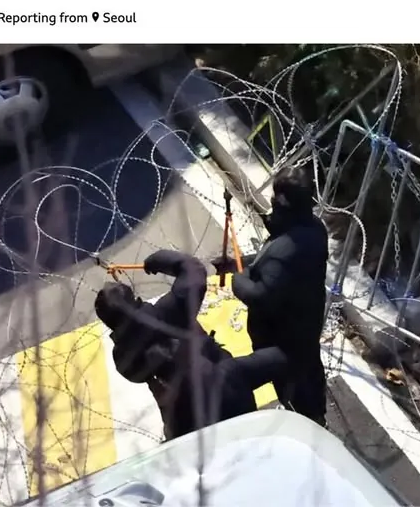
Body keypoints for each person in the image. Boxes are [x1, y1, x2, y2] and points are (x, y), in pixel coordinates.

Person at [93, 249, 287, 441]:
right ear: (137, 300)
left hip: (184, 423)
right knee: (284, 358)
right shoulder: (167, 313)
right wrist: (161, 260)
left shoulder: (122, 359)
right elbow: (194, 271)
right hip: (225, 392)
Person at [213, 166, 330, 425]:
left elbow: (260, 295)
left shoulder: (286, 247)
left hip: (283, 343)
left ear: (285, 202)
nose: (272, 203)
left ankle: (307, 426)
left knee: (287, 386)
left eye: (277, 197)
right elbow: (273, 263)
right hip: (305, 331)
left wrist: (236, 278)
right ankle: (314, 417)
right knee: (308, 377)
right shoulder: (313, 229)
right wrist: (239, 263)